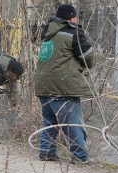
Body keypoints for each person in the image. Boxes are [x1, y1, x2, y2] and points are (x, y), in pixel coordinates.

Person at [34, 4, 95, 164]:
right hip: (62, 86)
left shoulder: (47, 34)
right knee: (71, 123)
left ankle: (47, 152)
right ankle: (80, 157)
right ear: (72, 18)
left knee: (50, 122)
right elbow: (88, 58)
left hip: (43, 85)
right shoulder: (73, 32)